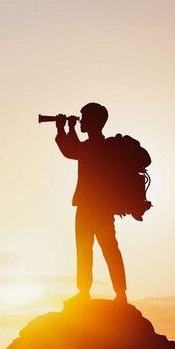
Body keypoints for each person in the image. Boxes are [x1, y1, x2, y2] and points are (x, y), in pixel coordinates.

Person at [54, 102, 127, 305]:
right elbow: (74, 149)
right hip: (90, 206)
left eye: (84, 118)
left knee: (106, 248)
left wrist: (64, 128)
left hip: (96, 207)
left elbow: (72, 150)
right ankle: (89, 291)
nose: (81, 120)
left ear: (94, 121)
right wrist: (67, 128)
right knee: (88, 248)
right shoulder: (96, 146)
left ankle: (118, 293)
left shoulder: (101, 147)